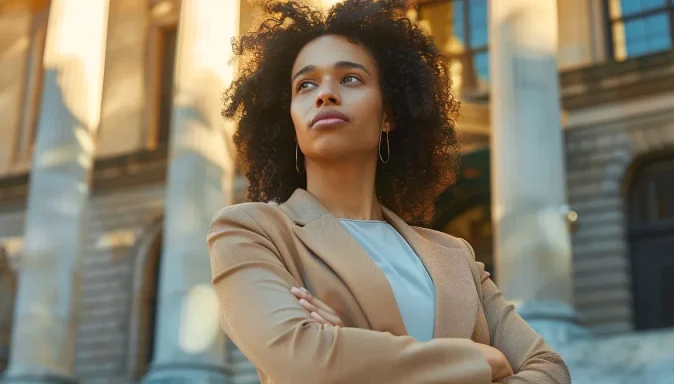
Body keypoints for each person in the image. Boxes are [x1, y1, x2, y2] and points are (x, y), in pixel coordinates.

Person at [210, 0, 570, 382]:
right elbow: (304, 360)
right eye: (306, 84)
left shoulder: (455, 257)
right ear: (290, 118)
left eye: (350, 79)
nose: (325, 94)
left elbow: (550, 370)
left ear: (388, 116)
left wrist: (350, 347)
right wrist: (484, 361)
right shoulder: (250, 231)